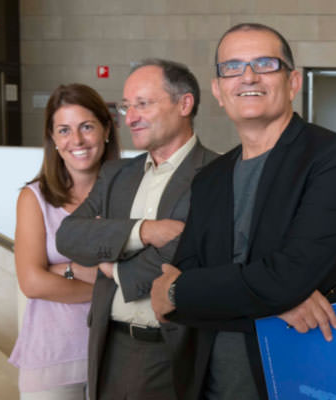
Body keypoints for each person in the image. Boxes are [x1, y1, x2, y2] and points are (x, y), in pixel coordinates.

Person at [149, 23, 336, 400]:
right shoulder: (210, 178)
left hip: (306, 377)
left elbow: (288, 276)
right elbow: (182, 294)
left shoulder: (334, 158)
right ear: (218, 90)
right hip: (213, 383)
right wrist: (275, 303)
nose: (248, 76)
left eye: (265, 64)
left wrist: (180, 291)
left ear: (293, 81)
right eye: (232, 67)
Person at [56, 59, 218, 400]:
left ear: (184, 104)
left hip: (169, 350)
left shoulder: (217, 174)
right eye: (127, 107)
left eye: (143, 104)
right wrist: (142, 232)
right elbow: (69, 235)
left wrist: (111, 265)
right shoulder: (117, 174)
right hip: (108, 346)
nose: (130, 117)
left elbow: (188, 253)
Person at [9, 83, 120, 399]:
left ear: (106, 129)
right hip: (53, 359)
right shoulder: (35, 198)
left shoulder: (126, 194)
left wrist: (60, 270)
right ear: (53, 139)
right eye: (64, 130)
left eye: (87, 127)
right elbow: (32, 283)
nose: (77, 141)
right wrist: (106, 285)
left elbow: (144, 272)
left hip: (118, 355)